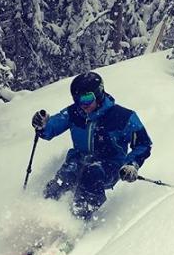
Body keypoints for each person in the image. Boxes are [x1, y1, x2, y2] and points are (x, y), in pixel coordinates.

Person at [31, 71, 152, 221]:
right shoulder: (74, 112)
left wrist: (132, 165)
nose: (83, 105)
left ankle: (77, 221)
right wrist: (42, 126)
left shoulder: (122, 117)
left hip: (110, 164)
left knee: (91, 173)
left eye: (87, 98)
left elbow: (143, 143)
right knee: (62, 180)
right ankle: (40, 219)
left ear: (99, 93)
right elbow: (51, 128)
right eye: (77, 99)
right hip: (78, 159)